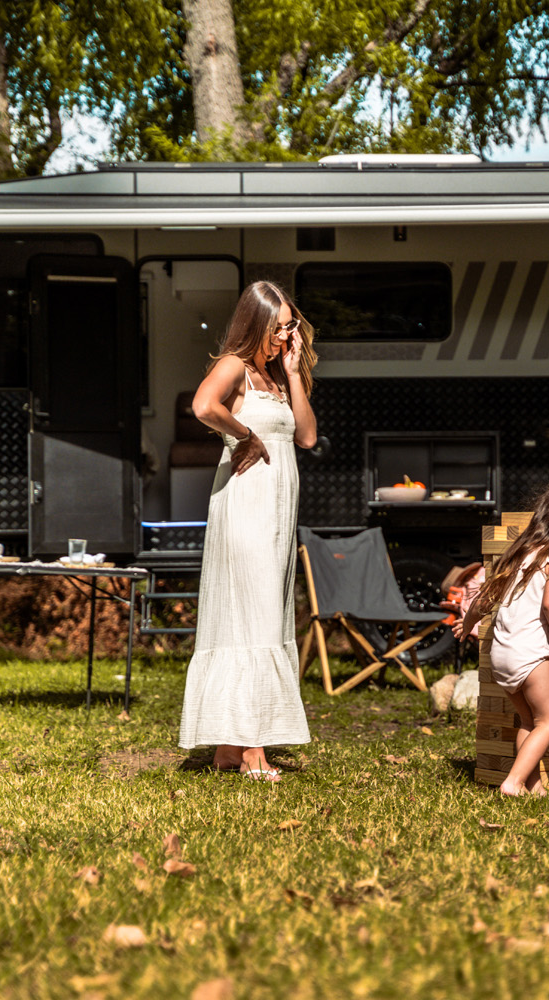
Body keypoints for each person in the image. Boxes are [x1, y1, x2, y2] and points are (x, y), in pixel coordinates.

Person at [177, 281, 319, 780]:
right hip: (245, 509)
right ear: (255, 324)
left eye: (290, 327)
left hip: (276, 513)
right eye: (279, 328)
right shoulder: (234, 364)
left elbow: (307, 436)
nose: (286, 335)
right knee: (254, 619)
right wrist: (246, 435)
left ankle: (228, 747)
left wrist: (294, 372)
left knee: (261, 619)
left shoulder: (275, 376)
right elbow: (203, 406)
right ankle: (254, 750)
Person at [458, 482, 549, 796]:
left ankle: (533, 787)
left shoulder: (518, 555)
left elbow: (483, 599)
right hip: (530, 656)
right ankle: (513, 782)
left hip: (501, 655)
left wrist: (467, 625)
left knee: (529, 721)